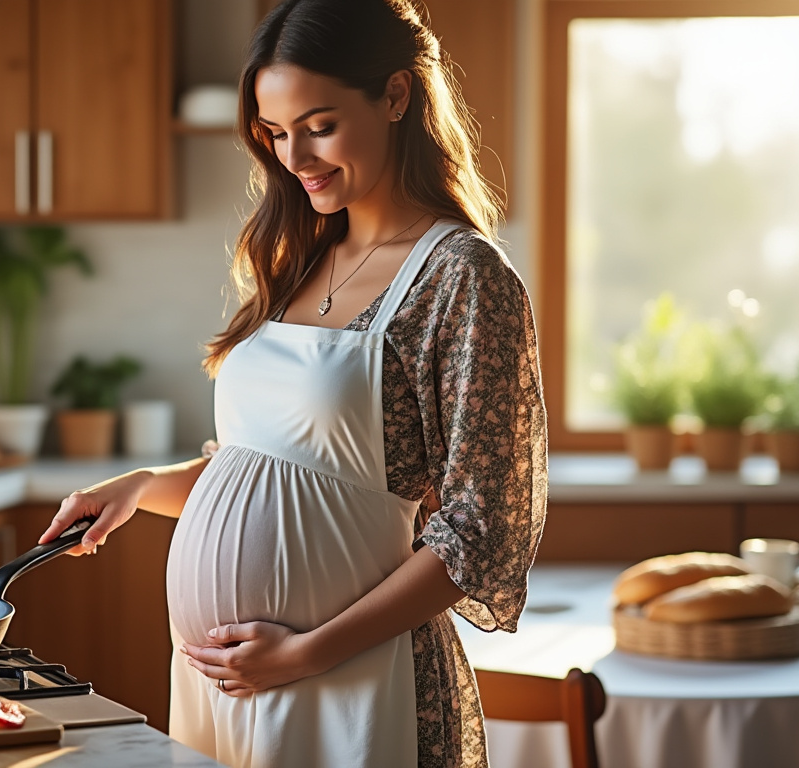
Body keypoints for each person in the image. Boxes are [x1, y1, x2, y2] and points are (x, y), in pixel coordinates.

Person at [39, 1, 547, 765]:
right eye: (275, 133)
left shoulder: (463, 277)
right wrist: (144, 486)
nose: (294, 157)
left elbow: (480, 533)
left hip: (355, 681)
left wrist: (307, 653)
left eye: (318, 125)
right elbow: (275, 470)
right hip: (224, 685)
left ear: (396, 97)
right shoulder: (301, 258)